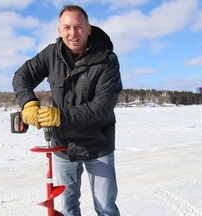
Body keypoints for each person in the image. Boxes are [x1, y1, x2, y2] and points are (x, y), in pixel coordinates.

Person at [13, 5, 122, 216]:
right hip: (63, 147)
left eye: (78, 27)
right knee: (68, 207)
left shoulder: (107, 60)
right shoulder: (52, 54)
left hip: (98, 145)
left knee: (105, 208)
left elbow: (102, 107)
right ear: (59, 30)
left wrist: (60, 116)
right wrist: (28, 103)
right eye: (67, 27)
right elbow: (21, 77)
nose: (73, 33)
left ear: (89, 29)